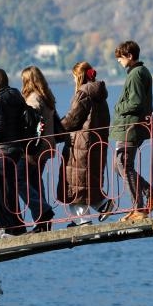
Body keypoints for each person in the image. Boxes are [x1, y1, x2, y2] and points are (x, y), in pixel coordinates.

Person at [58, 61, 113, 226]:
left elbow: (73, 119)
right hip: (96, 144)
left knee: (75, 184)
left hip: (80, 145)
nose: (73, 80)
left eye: (74, 76)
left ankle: (84, 221)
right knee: (86, 183)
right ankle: (102, 205)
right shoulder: (100, 96)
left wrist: (57, 128)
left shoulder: (83, 93)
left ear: (79, 76)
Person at [110, 41, 153, 222]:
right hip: (131, 127)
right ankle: (150, 194)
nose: (119, 61)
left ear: (129, 56)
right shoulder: (139, 72)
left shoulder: (136, 74)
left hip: (130, 127)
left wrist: (118, 106)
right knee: (119, 166)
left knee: (123, 164)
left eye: (120, 57)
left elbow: (135, 102)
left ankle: (139, 208)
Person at [0, 68, 28, 237]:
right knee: (5, 188)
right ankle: (14, 226)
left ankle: (8, 227)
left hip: (3, 150)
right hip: (16, 149)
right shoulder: (16, 96)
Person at [20, 65, 59, 233]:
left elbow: (31, 125)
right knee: (36, 182)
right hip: (47, 147)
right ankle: (43, 222)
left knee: (19, 180)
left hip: (35, 149)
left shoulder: (33, 99)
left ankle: (42, 214)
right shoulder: (47, 97)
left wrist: (28, 149)